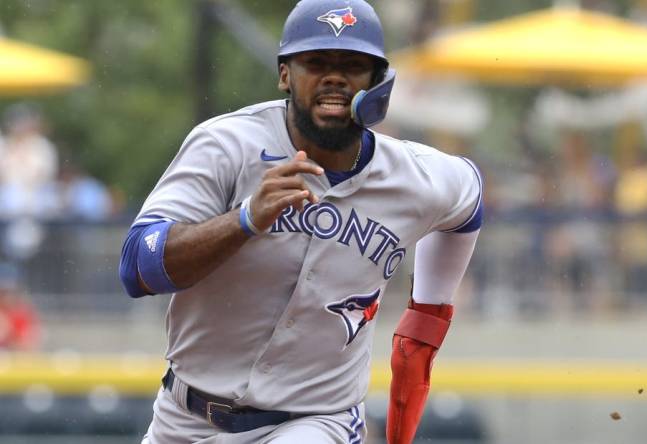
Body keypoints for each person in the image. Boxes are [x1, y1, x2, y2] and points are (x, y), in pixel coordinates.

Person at [118, 1, 483, 443]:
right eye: (316, 62)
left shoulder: (418, 176)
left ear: (378, 81)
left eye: (352, 64)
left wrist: (426, 316)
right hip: (185, 419)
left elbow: (469, 200)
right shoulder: (227, 144)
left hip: (314, 420)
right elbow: (138, 267)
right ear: (285, 75)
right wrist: (244, 220)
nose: (335, 76)